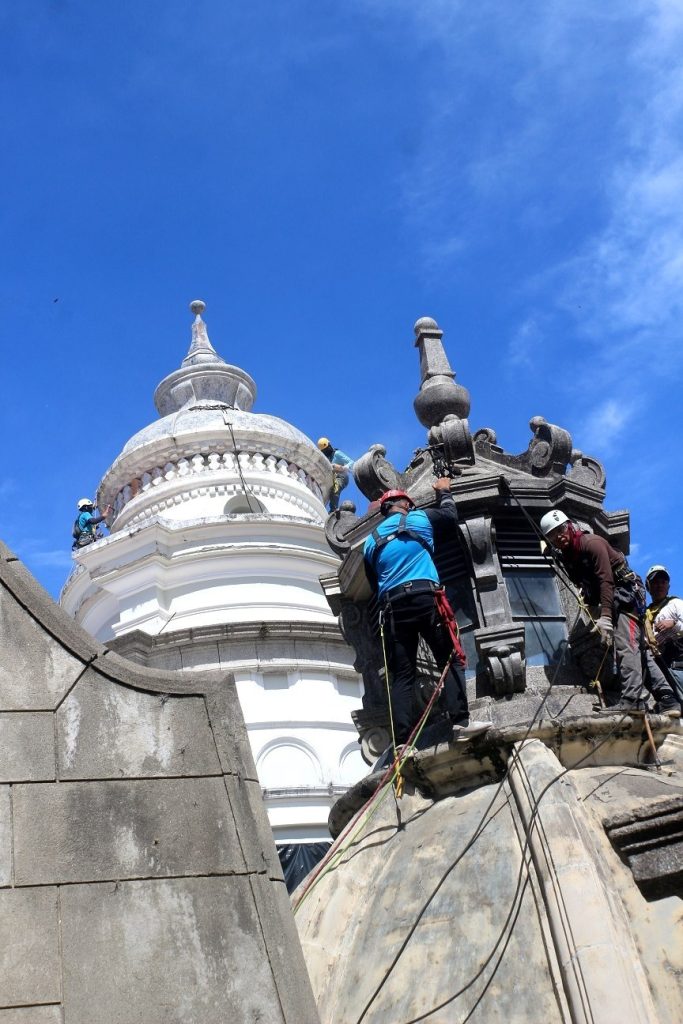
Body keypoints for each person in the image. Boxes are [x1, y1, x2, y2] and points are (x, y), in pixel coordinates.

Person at [363, 479, 490, 746]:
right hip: (425, 598)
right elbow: (449, 516)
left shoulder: (370, 543)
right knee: (450, 659)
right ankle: (460, 723)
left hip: (393, 609)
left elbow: (375, 584)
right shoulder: (418, 519)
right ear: (405, 504)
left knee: (403, 675)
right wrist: (444, 491)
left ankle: (402, 743)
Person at [539, 510, 680, 716]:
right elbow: (585, 582)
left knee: (626, 644)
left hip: (625, 595)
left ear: (569, 526)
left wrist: (605, 616)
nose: (558, 536)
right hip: (613, 599)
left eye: (560, 530)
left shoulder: (592, 544)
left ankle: (632, 700)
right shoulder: (569, 556)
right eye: (552, 535)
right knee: (638, 649)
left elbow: (606, 580)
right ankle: (668, 699)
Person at [644, 565, 683, 702]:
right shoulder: (645, 614)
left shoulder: (676, 603)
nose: (659, 585)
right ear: (648, 587)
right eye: (655, 582)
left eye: (663, 582)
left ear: (668, 586)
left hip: (678, 665)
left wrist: (674, 624)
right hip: (659, 667)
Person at [317, 438, 354, 511]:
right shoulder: (327, 459)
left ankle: (333, 509)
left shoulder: (337, 454)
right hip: (333, 478)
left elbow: (351, 462)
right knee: (329, 493)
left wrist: (346, 467)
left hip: (341, 476)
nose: (326, 451)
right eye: (324, 451)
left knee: (335, 489)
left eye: (326, 449)